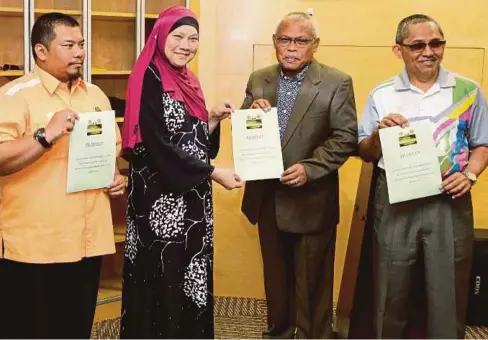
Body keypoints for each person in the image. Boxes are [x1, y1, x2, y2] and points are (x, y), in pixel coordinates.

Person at [358, 14, 488, 338]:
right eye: (417, 45)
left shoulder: (468, 90)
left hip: (450, 200)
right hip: (395, 199)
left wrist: (470, 175)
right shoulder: (382, 93)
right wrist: (378, 134)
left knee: (449, 294)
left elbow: (482, 144)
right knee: (390, 291)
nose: (428, 51)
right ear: (398, 49)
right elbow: (365, 150)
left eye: (436, 43)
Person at [119, 6, 243, 339]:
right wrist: (214, 173)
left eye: (193, 38)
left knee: (191, 274)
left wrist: (213, 119)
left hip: (191, 199)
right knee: (163, 275)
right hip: (157, 199)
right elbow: (157, 145)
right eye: (178, 36)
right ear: (160, 36)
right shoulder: (148, 76)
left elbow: (194, 141)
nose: (186, 45)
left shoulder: (190, 80)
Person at [0, 12, 124, 339]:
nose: (79, 52)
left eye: (81, 44)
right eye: (68, 45)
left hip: (86, 242)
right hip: (34, 246)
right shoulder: (15, 95)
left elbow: (110, 149)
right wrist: (46, 135)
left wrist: (114, 177)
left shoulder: (95, 95)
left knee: (74, 329)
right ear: (41, 51)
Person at [241, 12, 358, 339]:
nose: (291, 48)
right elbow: (244, 128)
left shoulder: (337, 82)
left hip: (311, 200)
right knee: (276, 279)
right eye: (284, 40)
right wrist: (249, 115)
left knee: (312, 283)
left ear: (315, 45)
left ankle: (314, 335)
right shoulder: (259, 78)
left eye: (301, 41)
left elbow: (345, 137)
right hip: (266, 199)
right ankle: (278, 332)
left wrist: (311, 168)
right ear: (275, 42)